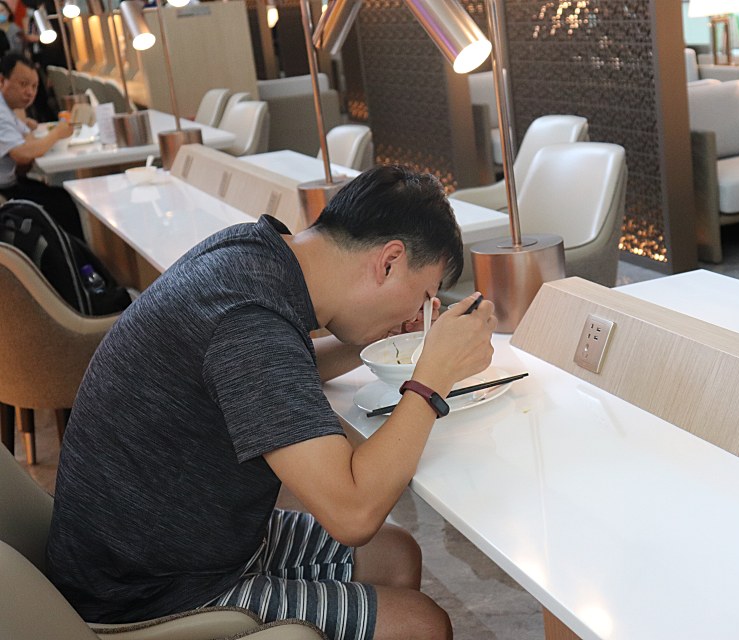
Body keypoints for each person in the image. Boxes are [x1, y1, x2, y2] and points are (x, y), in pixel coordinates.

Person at [45, 164, 498, 640]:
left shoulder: (255, 254)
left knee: (396, 555)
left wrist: (382, 340)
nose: (415, 315)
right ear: (389, 261)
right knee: (422, 625)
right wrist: (431, 379)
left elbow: (272, 375)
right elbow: (353, 513)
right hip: (145, 593)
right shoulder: (249, 322)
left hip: (183, 543)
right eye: (422, 297)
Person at [0, 53, 81, 236]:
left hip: (13, 183)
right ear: (2, 81)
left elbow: (28, 142)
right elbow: (22, 153)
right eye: (23, 84)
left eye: (34, 86)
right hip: (5, 191)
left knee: (61, 197)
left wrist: (26, 124)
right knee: (62, 204)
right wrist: (57, 133)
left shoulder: (9, 109)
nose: (30, 92)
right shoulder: (2, 112)